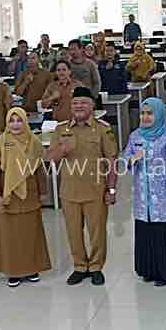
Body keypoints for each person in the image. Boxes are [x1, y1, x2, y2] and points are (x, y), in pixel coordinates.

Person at [47, 87, 119, 286]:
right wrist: (63, 149)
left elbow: (112, 160)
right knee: (73, 232)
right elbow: (50, 158)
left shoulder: (103, 129)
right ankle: (79, 266)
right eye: (75, 103)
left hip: (96, 190)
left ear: (92, 105)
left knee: (97, 232)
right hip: (69, 192)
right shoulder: (61, 129)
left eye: (83, 103)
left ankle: (95, 267)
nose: (79, 106)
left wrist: (111, 189)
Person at [120, 98, 166, 287]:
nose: (145, 117)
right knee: (146, 231)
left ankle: (165, 273)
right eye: (143, 113)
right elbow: (124, 161)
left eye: (150, 113)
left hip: (163, 194)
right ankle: (147, 270)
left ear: (158, 115)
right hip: (143, 196)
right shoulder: (135, 136)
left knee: (162, 232)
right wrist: (133, 158)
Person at [0, 107, 52, 287]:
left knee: (31, 233)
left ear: (25, 122)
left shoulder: (34, 141)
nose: (15, 124)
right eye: (12, 120)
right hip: (8, 195)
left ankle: (32, 268)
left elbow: (39, 169)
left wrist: (43, 191)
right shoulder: (0, 143)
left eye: (19, 120)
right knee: (10, 236)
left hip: (30, 195)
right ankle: (13, 271)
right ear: (7, 123)